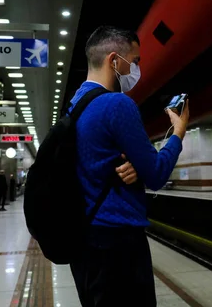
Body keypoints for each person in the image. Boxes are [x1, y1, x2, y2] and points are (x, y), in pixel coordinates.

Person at [69, 26, 189, 306]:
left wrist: (135, 165)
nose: (136, 68)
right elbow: (157, 174)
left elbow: (94, 162)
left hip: (85, 241)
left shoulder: (75, 105)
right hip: (118, 242)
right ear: (114, 61)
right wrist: (179, 131)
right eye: (134, 61)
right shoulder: (117, 104)